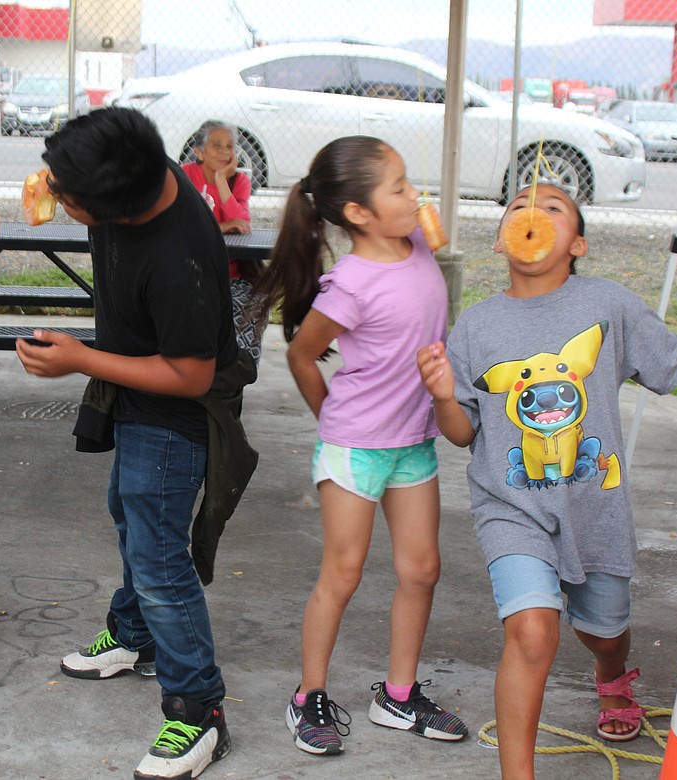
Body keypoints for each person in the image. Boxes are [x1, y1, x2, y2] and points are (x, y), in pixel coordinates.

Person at [416, 182, 677, 780]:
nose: (533, 215)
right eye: (519, 208)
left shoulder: (608, 305)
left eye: (552, 209)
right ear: (501, 239)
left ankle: (611, 677)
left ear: (575, 242)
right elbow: (462, 433)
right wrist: (444, 395)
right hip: (511, 506)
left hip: (595, 508)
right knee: (531, 632)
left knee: (605, 634)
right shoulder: (475, 326)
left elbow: (676, 357)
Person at [16, 107, 247, 780]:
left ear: (113, 204)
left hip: (177, 409)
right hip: (136, 383)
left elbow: (192, 374)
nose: (52, 192)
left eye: (63, 192)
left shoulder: (181, 261)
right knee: (131, 511)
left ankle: (199, 710)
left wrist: (80, 361)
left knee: (158, 557)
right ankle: (134, 633)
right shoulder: (135, 171)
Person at [251, 135, 468, 757]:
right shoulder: (349, 284)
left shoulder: (420, 243)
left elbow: (433, 249)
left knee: (422, 569)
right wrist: (331, 418)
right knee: (342, 574)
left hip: (412, 440)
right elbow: (300, 351)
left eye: (409, 182)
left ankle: (398, 696)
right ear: (357, 214)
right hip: (355, 447)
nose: (414, 195)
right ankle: (308, 696)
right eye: (398, 188)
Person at [180, 120, 266, 367]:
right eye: (216, 146)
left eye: (230, 146)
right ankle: (195, 368)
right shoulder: (185, 176)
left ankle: (238, 369)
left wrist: (220, 180)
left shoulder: (239, 181)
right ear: (199, 151)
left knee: (256, 300)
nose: (225, 152)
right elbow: (181, 226)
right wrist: (221, 227)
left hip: (232, 273)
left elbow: (242, 223)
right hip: (192, 271)